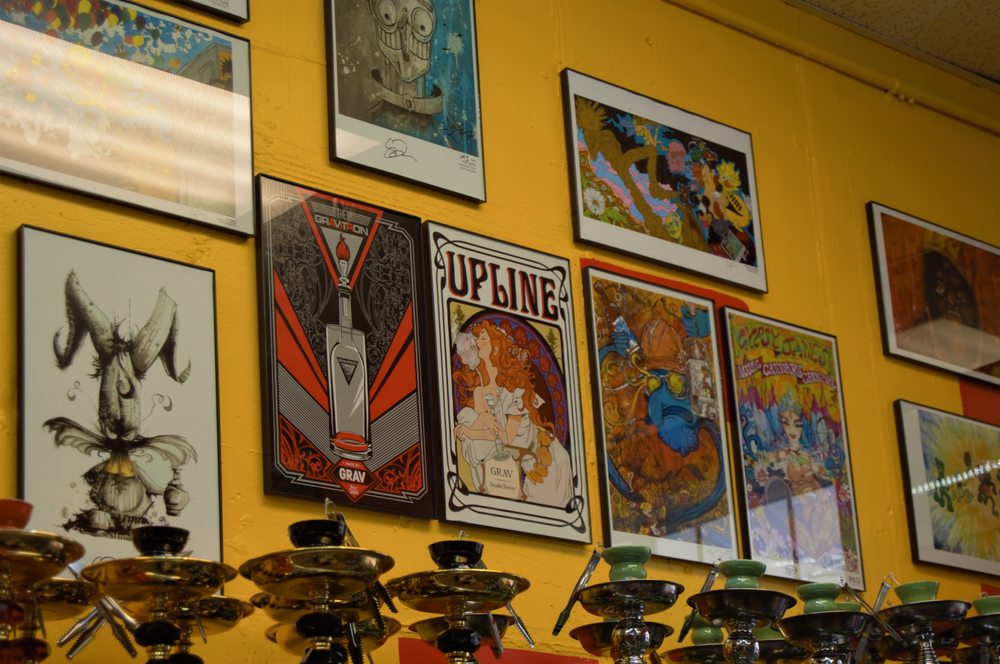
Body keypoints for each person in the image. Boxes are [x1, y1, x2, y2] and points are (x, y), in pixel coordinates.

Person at [452, 320, 573, 506]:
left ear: (495, 348)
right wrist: (481, 420)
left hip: (545, 460)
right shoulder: (479, 392)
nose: (475, 341)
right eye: (476, 338)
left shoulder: (515, 386)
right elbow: (482, 436)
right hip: (513, 463)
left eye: (482, 338)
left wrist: (471, 431)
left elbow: (506, 437)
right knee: (468, 415)